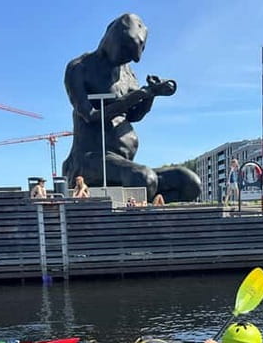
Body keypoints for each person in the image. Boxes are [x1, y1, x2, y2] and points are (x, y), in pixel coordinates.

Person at [61, 13, 201, 203]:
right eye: (126, 49)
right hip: (90, 160)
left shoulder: (127, 72)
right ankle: (137, 217)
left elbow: (134, 115)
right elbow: (90, 115)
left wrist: (151, 94)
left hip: (123, 163)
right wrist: (137, 95)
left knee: (189, 182)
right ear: (111, 37)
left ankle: (153, 212)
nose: (130, 58)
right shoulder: (80, 68)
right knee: (143, 179)